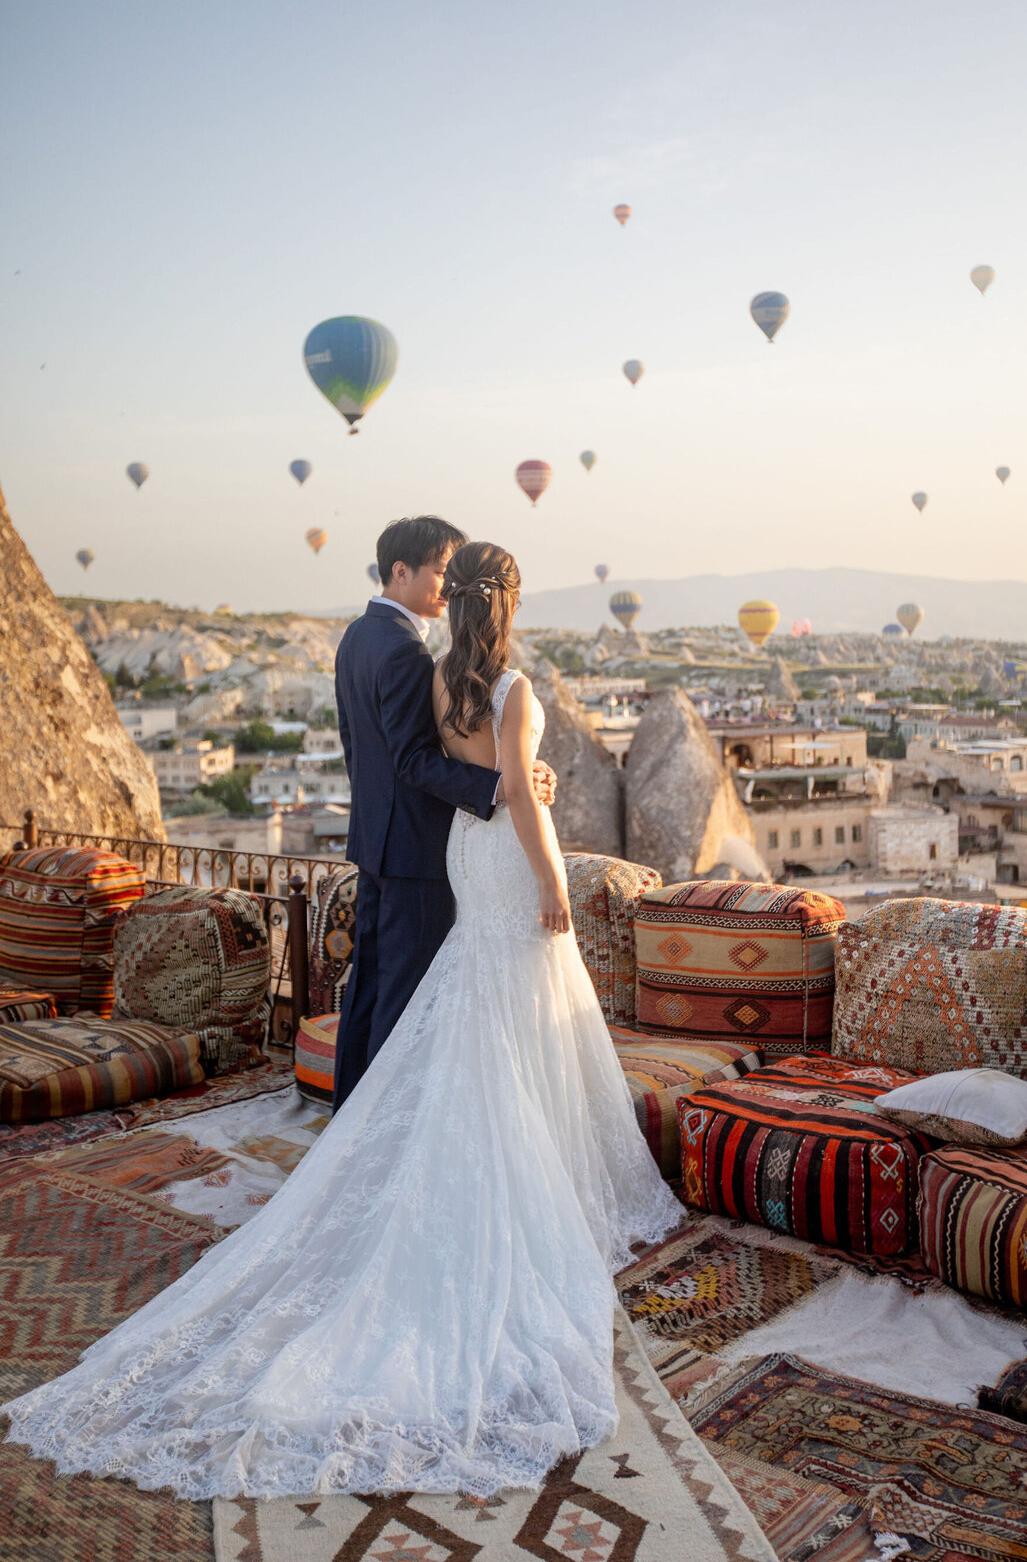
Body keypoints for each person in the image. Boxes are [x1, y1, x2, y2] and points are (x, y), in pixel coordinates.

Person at [1, 540, 682, 1500]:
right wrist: (550, 875)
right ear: (514, 603)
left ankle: (432, 1138)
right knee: (520, 1002)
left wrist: (512, 795)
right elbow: (520, 801)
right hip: (502, 857)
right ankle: (516, 1162)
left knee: (468, 1002)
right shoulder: (515, 685)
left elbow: (449, 771)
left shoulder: (442, 675)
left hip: (456, 857)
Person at [331, 514, 556, 1109]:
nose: (444, 585)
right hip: (415, 846)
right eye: (437, 571)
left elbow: (359, 749)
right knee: (406, 996)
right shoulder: (406, 654)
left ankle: (350, 1112)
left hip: (376, 840)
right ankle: (384, 1122)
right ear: (400, 572)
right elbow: (413, 761)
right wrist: (501, 786)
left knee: (370, 986)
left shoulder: (357, 636)